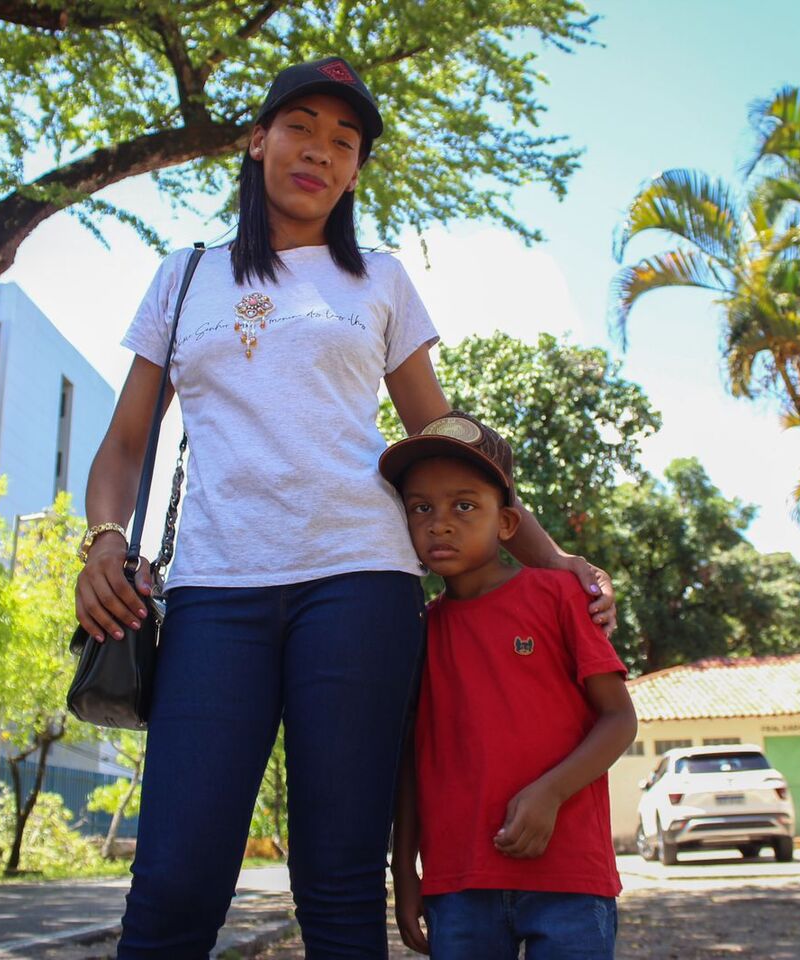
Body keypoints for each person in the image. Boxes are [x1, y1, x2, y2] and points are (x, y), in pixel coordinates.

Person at [75, 56, 616, 959]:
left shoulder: (380, 280)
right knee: (174, 878)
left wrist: (558, 564)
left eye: (344, 141)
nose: (320, 152)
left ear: (357, 168)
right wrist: (100, 543)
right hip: (215, 592)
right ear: (258, 142)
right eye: (301, 128)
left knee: (337, 878)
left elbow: (446, 444)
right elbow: (127, 441)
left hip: (360, 586)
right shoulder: (185, 277)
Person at [382, 413, 638, 959]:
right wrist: (406, 873)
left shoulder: (559, 598)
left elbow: (619, 720)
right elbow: (409, 759)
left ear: (507, 523)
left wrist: (551, 792)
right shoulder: (417, 631)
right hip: (458, 885)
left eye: (465, 505)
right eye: (420, 508)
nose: (440, 523)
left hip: (569, 876)